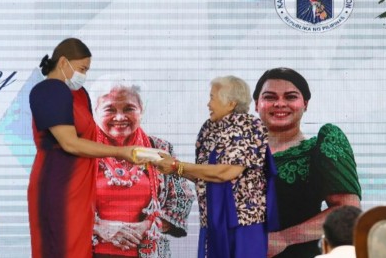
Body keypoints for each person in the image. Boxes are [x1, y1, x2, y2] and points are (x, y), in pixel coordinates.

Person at [28, 38, 139, 258]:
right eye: (82, 69)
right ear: (63, 62)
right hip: (59, 187)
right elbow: (69, 142)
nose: (84, 75)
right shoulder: (48, 91)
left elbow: (90, 137)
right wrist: (119, 153)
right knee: (60, 249)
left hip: (81, 188)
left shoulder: (79, 93)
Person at [153, 76, 278, 258]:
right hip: (212, 220)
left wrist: (176, 165)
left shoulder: (249, 126)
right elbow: (205, 176)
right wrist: (174, 168)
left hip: (242, 224)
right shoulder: (209, 129)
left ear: (231, 103)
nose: (208, 104)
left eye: (212, 97)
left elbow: (226, 172)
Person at [253, 67, 362, 257]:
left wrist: (284, 238)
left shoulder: (320, 146)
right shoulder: (235, 154)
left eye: (290, 97)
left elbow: (348, 212)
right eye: (270, 97)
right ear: (256, 104)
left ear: (305, 103)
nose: (280, 103)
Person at [89, 75, 195, 258]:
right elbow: (57, 207)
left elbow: (182, 199)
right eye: (110, 109)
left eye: (129, 108)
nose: (120, 117)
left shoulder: (160, 149)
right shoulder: (81, 150)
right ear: (95, 111)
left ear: (141, 110)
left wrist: (147, 225)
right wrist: (99, 227)